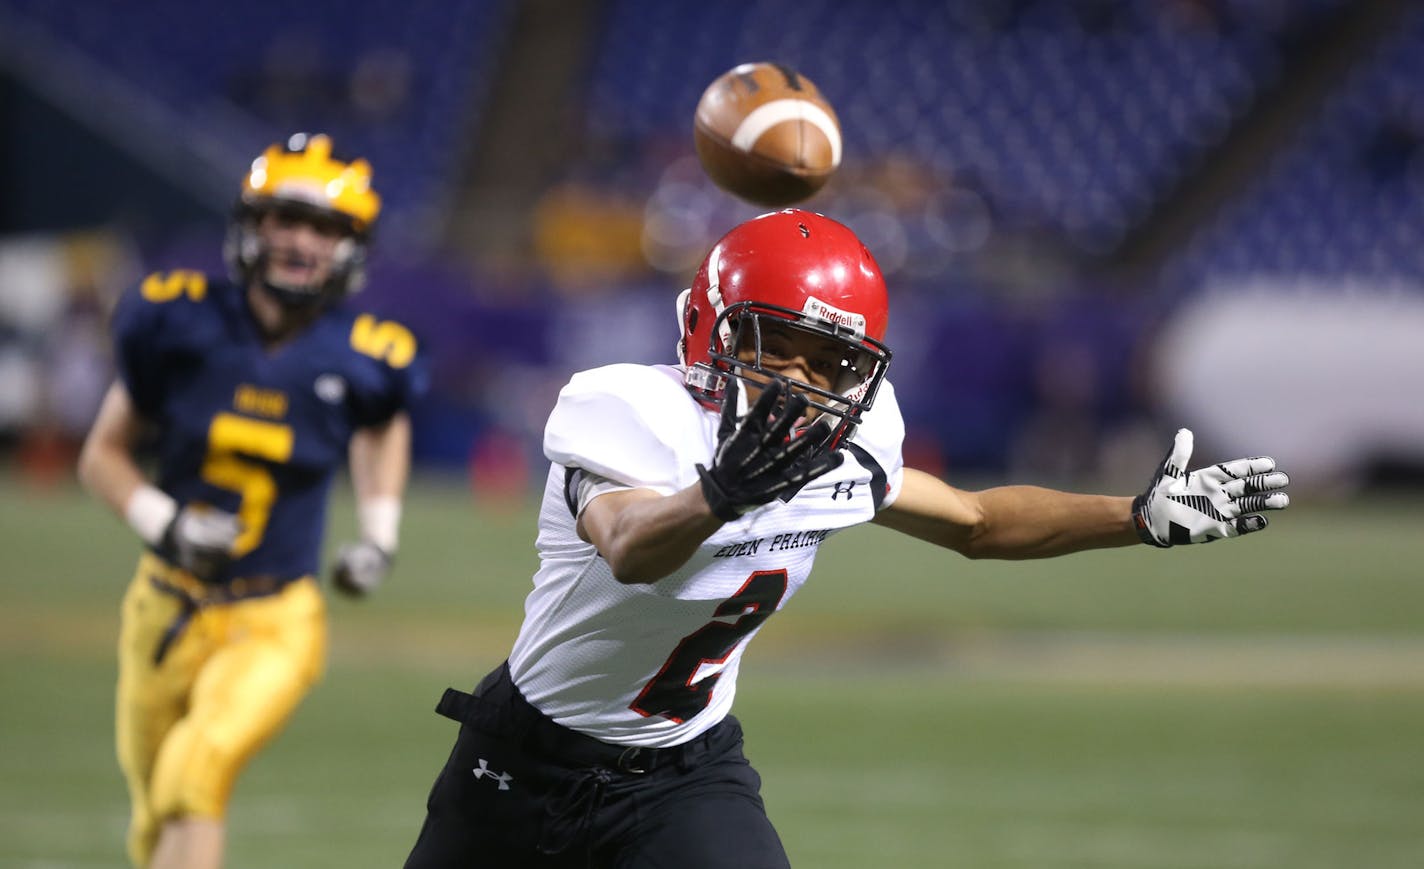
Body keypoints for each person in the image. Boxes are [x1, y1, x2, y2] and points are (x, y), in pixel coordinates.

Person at [402, 209, 1290, 868]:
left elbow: (976, 522)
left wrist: (1134, 518)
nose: (802, 379)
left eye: (831, 364)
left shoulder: (847, 446)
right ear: (713, 330)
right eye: (779, 345)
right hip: (525, 757)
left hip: (682, 770)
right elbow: (631, 544)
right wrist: (719, 495)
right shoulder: (628, 408)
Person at [77, 132, 427, 869]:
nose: (302, 241)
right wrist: (166, 521)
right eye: (286, 218)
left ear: (350, 247)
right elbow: (101, 454)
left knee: (196, 770)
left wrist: (380, 534)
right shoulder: (176, 320)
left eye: (325, 227)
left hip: (274, 616)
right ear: (252, 224)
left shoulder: (366, 352)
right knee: (153, 816)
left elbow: (382, 423)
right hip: (163, 604)